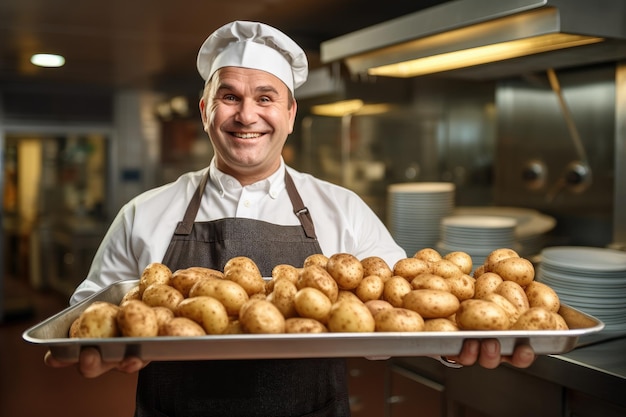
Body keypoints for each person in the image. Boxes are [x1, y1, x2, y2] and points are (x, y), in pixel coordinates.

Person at [45, 20, 536, 416]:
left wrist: (459, 345)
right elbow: (92, 306)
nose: (246, 115)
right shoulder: (145, 212)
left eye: (265, 97)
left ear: (291, 112)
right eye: (230, 96)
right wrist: (97, 351)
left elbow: (396, 312)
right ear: (205, 110)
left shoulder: (343, 209)